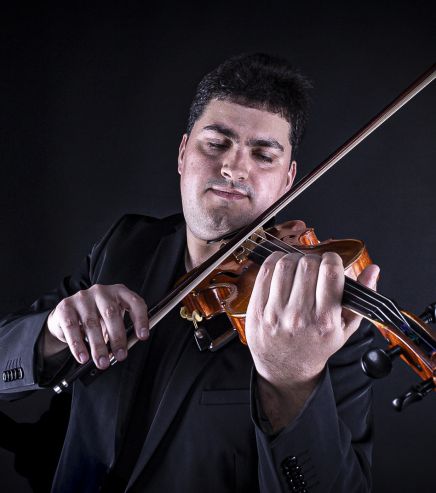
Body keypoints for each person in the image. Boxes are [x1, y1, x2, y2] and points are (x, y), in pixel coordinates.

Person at [0, 53, 379, 492]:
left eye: (263, 155)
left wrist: (292, 383)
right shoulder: (127, 246)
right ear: (183, 153)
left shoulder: (324, 317)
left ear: (288, 180)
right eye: (216, 144)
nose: (234, 169)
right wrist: (52, 332)